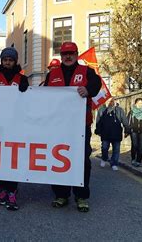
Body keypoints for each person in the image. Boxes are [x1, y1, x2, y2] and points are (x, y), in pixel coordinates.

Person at [42, 42, 101, 212]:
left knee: (81, 160)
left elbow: (97, 85)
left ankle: (81, 196)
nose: (68, 56)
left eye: (72, 53)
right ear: (61, 56)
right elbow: (43, 97)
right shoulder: (52, 75)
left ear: (77, 54)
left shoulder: (87, 72)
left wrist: (88, 89)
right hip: (57, 126)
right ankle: (61, 194)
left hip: (80, 126)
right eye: (65, 53)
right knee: (58, 159)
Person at [0, 47, 28, 211]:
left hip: (16, 125)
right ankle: (3, 189)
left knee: (13, 159)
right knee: (1, 159)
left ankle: (12, 191)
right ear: (1, 61)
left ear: (15, 61)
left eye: (10, 59)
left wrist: (26, 91)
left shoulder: (21, 78)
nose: (7, 62)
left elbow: (28, 100)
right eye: (5, 59)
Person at [95, 98, 130, 171]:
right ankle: (104, 158)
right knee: (104, 148)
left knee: (116, 150)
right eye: (109, 101)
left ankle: (114, 163)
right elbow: (98, 121)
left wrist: (127, 130)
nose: (111, 102)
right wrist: (98, 131)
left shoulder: (119, 110)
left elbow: (124, 120)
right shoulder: (102, 110)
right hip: (105, 133)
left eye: (112, 101)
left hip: (116, 133)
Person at [127, 98, 142, 167]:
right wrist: (128, 130)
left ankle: (139, 161)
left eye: (141, 103)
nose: (140, 104)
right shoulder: (131, 112)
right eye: (139, 103)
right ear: (135, 104)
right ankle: (133, 159)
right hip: (133, 131)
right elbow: (128, 121)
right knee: (134, 145)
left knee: (140, 147)